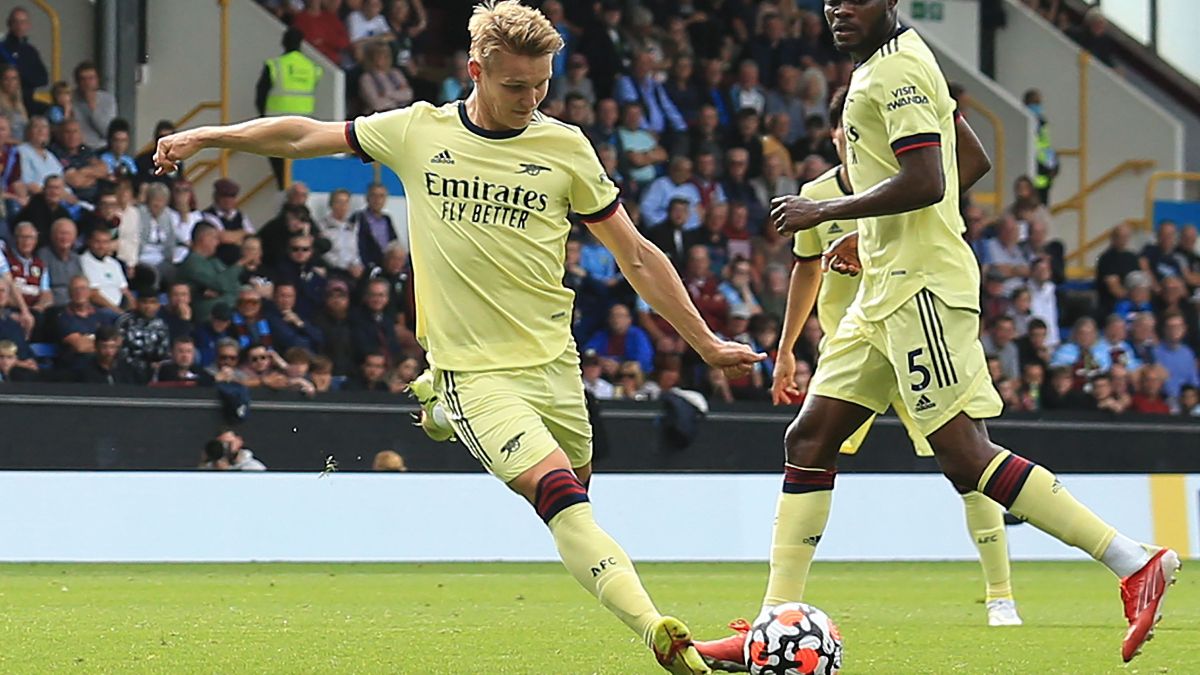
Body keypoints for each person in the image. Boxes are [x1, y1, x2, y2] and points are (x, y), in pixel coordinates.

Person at [153, 2, 761, 672]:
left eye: (543, 85)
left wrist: (705, 342)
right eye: (515, 86)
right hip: (474, 370)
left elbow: (637, 255)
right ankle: (660, 632)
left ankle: (441, 413)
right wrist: (213, 135)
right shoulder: (418, 130)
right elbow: (304, 136)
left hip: (554, 366)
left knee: (574, 491)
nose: (531, 100)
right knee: (560, 495)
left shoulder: (566, 148)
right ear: (477, 70)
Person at [696, 3, 1177, 668]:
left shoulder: (895, 74)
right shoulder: (893, 66)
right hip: (884, 288)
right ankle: (767, 629)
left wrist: (829, 210)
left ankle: (1135, 560)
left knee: (962, 451)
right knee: (809, 438)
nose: (837, 8)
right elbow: (970, 157)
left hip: (922, 288)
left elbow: (928, 177)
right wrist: (876, 236)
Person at [766, 83, 1022, 627]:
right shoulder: (816, 194)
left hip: (912, 327)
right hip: (852, 344)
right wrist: (787, 349)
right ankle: (776, 611)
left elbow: (959, 174)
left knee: (967, 464)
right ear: (836, 135)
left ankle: (1001, 594)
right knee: (808, 445)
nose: (848, 139)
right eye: (841, 130)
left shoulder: (908, 184)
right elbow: (805, 269)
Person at [257, 27, 322, 188]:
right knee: (298, 167)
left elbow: (260, 95)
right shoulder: (312, 68)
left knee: (280, 167)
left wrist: (262, 117)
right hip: (304, 124)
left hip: (276, 124)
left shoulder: (275, 65)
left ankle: (284, 190)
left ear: (283, 43)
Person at [72, 61, 117, 150]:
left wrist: (92, 107)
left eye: (91, 78)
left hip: (101, 147)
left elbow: (107, 133)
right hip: (77, 148)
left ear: (97, 80)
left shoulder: (108, 100)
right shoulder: (71, 98)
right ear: (77, 82)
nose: (87, 83)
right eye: (83, 79)